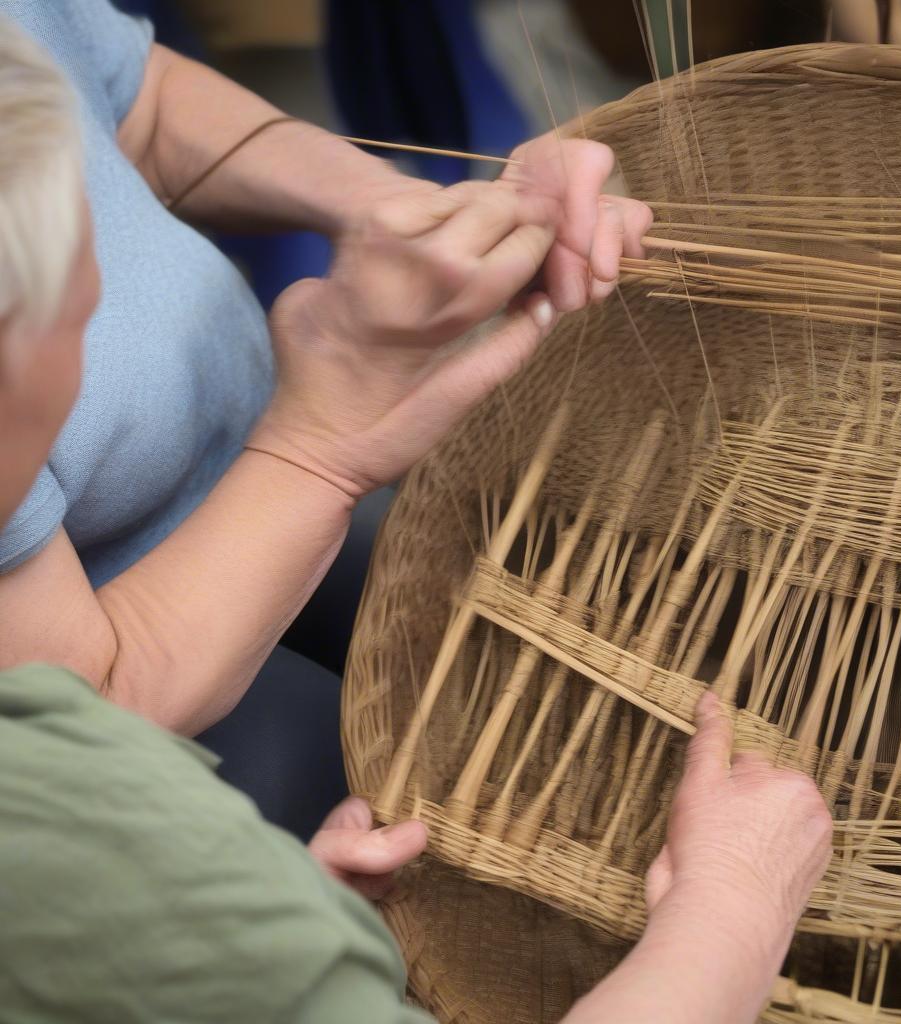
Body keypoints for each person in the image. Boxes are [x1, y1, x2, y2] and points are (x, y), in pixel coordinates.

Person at [0, 13, 842, 1024]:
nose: (112, 272)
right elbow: (97, 704)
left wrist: (406, 214)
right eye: (81, 291)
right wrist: (732, 917)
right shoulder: (142, 861)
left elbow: (129, 92)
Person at [0, 0, 652, 838]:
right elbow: (82, 713)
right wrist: (321, 452)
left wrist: (414, 215)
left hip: (244, 452)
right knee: (401, 795)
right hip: (117, 675)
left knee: (536, 648)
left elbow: (139, 99)